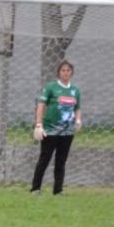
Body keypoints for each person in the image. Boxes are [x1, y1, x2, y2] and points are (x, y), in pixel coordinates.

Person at [30, 60, 82, 196]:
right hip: (50, 129)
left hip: (67, 131)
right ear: (59, 73)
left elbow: (77, 108)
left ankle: (58, 190)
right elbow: (41, 105)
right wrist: (39, 124)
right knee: (44, 158)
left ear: (72, 73)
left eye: (68, 70)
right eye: (63, 70)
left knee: (61, 160)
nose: (66, 73)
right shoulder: (51, 87)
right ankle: (35, 188)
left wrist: (78, 120)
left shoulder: (75, 90)